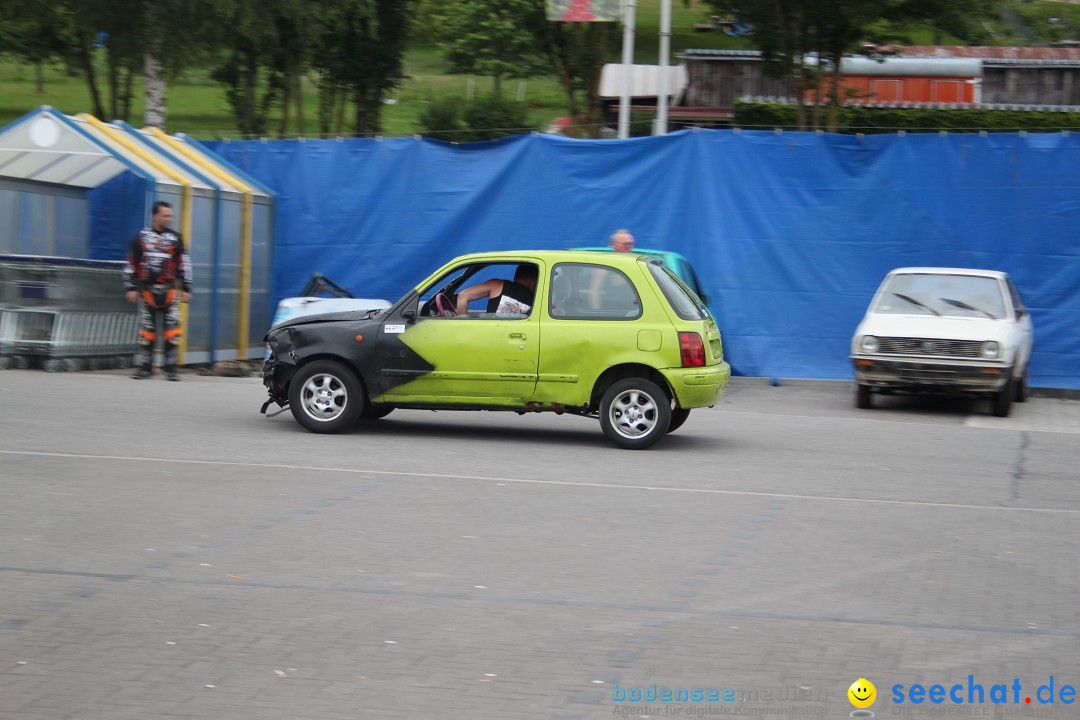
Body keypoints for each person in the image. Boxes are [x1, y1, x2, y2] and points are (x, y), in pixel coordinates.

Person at [124, 201, 193, 380]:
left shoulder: (176, 238)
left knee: (172, 332)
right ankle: (144, 368)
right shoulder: (140, 237)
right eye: (165, 215)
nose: (169, 219)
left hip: (171, 292)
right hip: (146, 291)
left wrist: (186, 287)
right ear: (154, 216)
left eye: (170, 216)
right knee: (147, 332)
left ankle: (171, 370)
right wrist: (130, 287)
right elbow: (131, 264)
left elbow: (184, 264)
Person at [454, 264, 538, 316]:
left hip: (489, 338)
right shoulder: (538, 302)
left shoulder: (497, 285)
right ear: (531, 281)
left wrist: (462, 327)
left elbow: (463, 296)